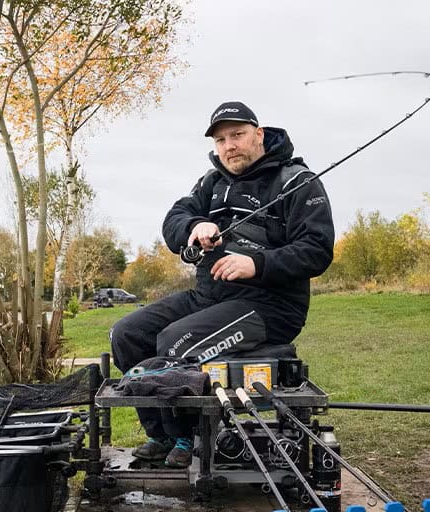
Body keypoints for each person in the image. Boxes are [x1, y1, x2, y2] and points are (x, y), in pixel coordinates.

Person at [110, 101, 335, 468]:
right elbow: (174, 218)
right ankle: (163, 435)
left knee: (172, 343)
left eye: (237, 135)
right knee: (127, 334)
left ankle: (190, 436)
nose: (229, 146)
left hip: (270, 306)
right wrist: (194, 227)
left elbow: (316, 250)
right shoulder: (211, 183)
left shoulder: (296, 181)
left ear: (258, 135)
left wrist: (256, 264)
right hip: (208, 296)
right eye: (220, 140)